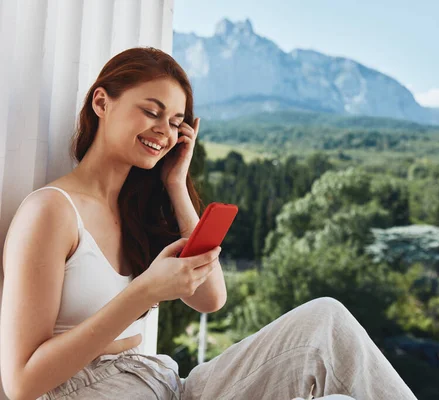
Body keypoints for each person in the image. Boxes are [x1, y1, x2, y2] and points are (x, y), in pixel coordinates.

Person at [0, 47, 417, 400]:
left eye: (176, 122)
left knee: (325, 322)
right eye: (151, 111)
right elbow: (20, 382)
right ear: (101, 103)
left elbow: (211, 298)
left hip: (166, 385)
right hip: (97, 389)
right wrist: (143, 292)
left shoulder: (137, 209)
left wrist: (177, 185)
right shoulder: (51, 211)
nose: (163, 131)